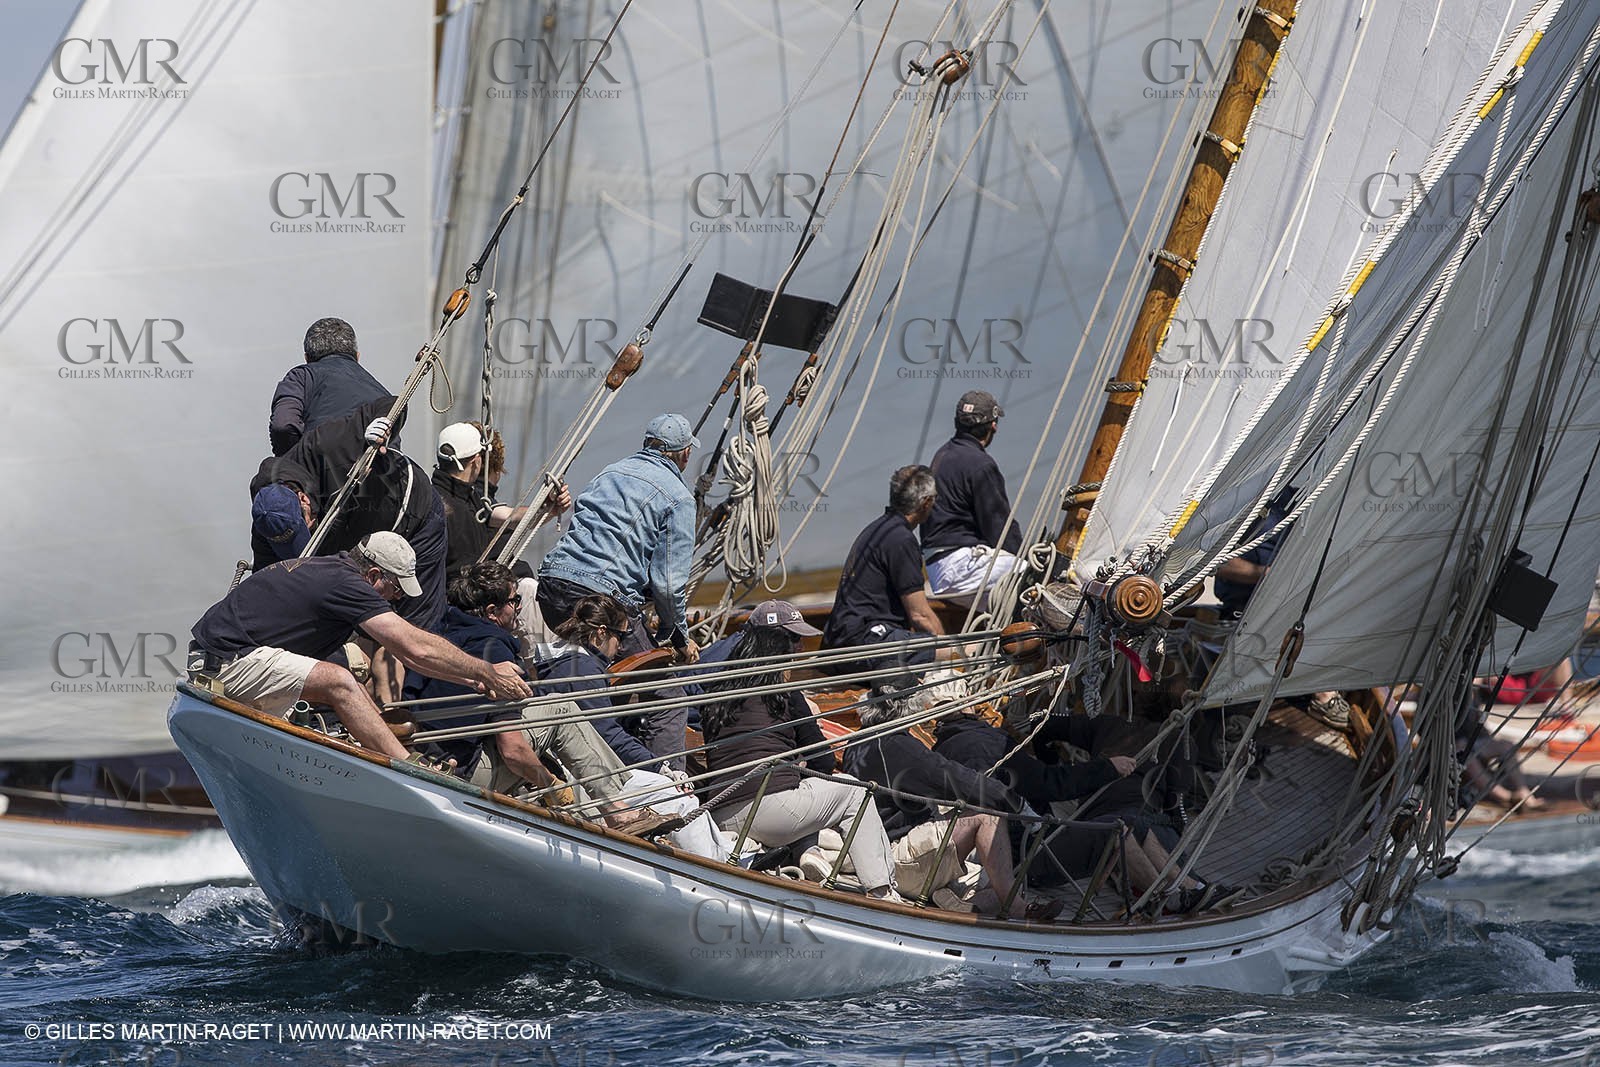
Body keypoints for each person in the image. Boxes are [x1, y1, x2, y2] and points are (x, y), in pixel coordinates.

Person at [188, 532, 529, 762]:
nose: (397, 598)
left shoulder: (333, 572)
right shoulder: (346, 584)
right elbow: (413, 648)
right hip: (228, 665)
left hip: (225, 659)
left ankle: (395, 756)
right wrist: (487, 671)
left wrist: (472, 682)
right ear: (374, 575)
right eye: (395, 588)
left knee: (349, 679)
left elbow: (412, 657)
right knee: (337, 679)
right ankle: (410, 770)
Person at [402, 562, 677, 836]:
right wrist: (554, 786)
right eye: (514, 600)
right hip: (465, 773)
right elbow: (512, 750)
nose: (520, 606)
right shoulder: (494, 648)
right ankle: (620, 813)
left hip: (426, 760)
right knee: (559, 709)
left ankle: (611, 807)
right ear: (492, 612)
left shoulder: (437, 636)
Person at [537, 413, 702, 766]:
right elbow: (669, 585)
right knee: (667, 697)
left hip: (552, 587)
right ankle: (666, 789)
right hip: (602, 600)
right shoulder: (679, 498)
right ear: (685, 455)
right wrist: (677, 638)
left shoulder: (609, 472)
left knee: (595, 677)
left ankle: (573, 762)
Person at [701, 625, 904, 903]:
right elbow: (823, 759)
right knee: (856, 791)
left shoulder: (718, 697)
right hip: (768, 811)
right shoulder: (783, 693)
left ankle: (808, 853)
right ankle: (883, 891)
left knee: (804, 794)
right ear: (778, 658)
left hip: (722, 814)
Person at [535, 594, 733, 859]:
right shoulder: (582, 669)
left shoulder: (554, 662)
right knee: (675, 796)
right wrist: (661, 768)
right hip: (587, 777)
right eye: (620, 637)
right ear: (601, 633)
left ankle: (724, 848)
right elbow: (607, 736)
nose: (619, 648)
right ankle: (721, 866)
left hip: (568, 770)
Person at [843, 696, 1061, 921]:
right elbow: (952, 777)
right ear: (908, 708)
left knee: (1005, 883)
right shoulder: (896, 745)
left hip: (877, 849)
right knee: (986, 817)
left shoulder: (857, 741)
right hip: (895, 859)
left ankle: (957, 903)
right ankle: (1014, 908)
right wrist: (1017, 803)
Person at [249, 395, 449, 632]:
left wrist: (383, 425)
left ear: (302, 498)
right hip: (363, 545)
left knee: (418, 621)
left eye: (305, 527)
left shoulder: (327, 445)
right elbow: (270, 582)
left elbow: (393, 403)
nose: (309, 532)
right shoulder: (266, 521)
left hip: (415, 513)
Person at [1212, 490, 1349, 730]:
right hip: (1245, 614)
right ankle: (1321, 694)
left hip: (1289, 612)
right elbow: (1217, 562)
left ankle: (1321, 690)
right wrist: (1268, 575)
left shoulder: (1310, 500)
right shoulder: (1251, 501)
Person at [820, 464, 945, 677]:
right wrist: (946, 651)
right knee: (959, 650)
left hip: (840, 640)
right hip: (864, 642)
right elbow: (920, 616)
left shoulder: (876, 530)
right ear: (926, 503)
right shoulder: (901, 539)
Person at [921, 390, 1023, 606]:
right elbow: (999, 528)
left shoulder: (942, 454)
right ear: (993, 426)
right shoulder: (980, 464)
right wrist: (1026, 556)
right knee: (1036, 577)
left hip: (937, 569)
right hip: (961, 569)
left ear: (957, 422)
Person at [432, 421, 569, 574]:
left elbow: (511, 516)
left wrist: (547, 507)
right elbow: (511, 517)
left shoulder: (466, 497)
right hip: (461, 595)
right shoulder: (453, 503)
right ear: (477, 461)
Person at [269, 317, 390, 456]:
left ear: (307, 358)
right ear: (357, 357)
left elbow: (283, 425)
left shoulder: (303, 376)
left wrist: (294, 463)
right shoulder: (383, 394)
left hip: (321, 470)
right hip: (376, 472)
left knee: (267, 472)